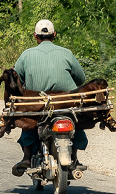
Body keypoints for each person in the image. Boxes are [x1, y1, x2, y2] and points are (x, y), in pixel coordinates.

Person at [11, 19, 87, 176]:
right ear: (54, 35)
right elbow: (80, 79)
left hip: (39, 105)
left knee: (29, 123)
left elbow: (16, 79)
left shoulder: (26, 55)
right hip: (66, 103)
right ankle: (74, 156)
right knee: (76, 123)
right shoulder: (67, 53)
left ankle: (26, 156)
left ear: (35, 36)